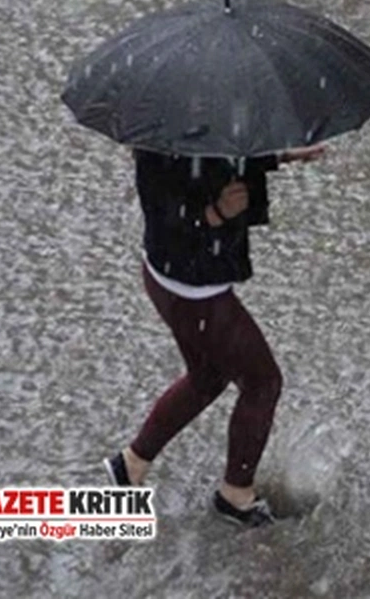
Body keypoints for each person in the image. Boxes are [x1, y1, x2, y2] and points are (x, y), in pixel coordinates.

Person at [103, 142, 327, 527]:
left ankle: (132, 463)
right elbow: (167, 218)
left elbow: (221, 156)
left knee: (207, 377)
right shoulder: (162, 147)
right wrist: (216, 213)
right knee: (263, 382)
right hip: (194, 291)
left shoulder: (192, 127)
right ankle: (235, 494)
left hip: (172, 279)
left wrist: (280, 155)